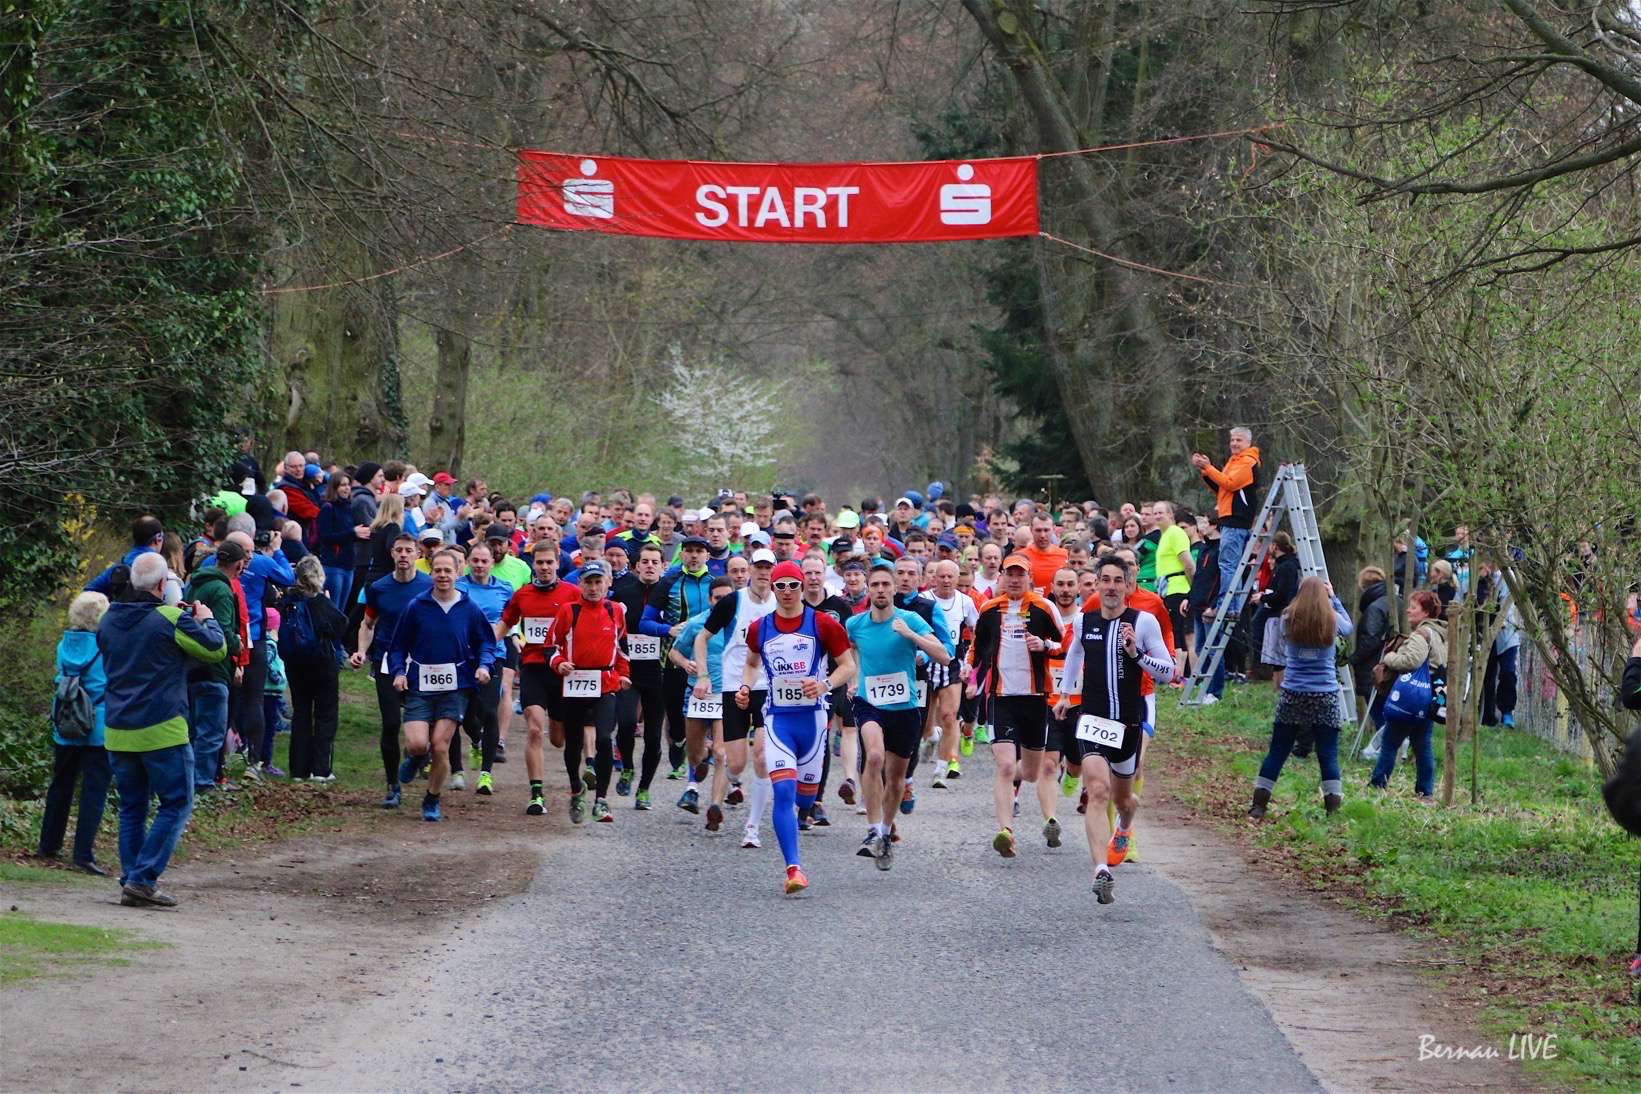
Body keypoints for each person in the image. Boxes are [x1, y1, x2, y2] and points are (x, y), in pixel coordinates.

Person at [98, 553, 227, 907]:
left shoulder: (107, 619)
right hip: (162, 728)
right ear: (161, 586)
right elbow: (214, 649)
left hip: (118, 728)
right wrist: (207, 619)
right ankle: (142, 878)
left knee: (132, 807)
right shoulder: (169, 619)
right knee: (176, 802)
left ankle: (132, 877)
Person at [1053, 556, 1175, 904]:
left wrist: (1136, 654)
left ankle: (1123, 827)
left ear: (1127, 586)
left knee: (1124, 798)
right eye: (1103, 579)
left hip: (1128, 722)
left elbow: (1168, 672)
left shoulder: (1144, 621)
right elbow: (1074, 656)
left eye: (1116, 580)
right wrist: (1064, 695)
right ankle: (1100, 870)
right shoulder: (1084, 621)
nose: (1109, 586)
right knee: (1097, 789)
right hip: (1092, 719)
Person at [734, 560, 855, 893]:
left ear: (803, 587)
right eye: (780, 585)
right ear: (772, 589)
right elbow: (752, 663)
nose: (787, 592)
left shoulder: (823, 624)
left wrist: (826, 685)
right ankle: (794, 869)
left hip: (814, 720)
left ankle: (808, 806)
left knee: (804, 799)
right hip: (777, 720)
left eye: (792, 585)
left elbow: (847, 665)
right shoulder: (760, 628)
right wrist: (745, 687)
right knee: (783, 791)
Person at [846, 560, 946, 868]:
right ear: (868, 589)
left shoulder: (910, 619)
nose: (880, 589)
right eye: (874, 584)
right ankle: (873, 830)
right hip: (869, 703)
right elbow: (846, 653)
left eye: (885, 584)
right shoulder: (856, 624)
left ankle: (886, 833)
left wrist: (912, 637)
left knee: (897, 777)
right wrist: (852, 678)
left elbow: (943, 654)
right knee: (874, 757)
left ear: (893, 589)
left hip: (905, 707)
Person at [966, 552, 1065, 857]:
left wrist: (1045, 646)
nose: (1014, 579)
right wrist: (970, 677)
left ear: (1030, 577)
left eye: (1020, 574)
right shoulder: (989, 609)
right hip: (1001, 698)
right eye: (1010, 574)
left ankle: (1034, 809)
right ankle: (1005, 831)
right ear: (1002, 577)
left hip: (1036, 699)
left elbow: (1067, 648)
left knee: (1032, 773)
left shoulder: (1044, 608)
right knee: (1006, 764)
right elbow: (977, 649)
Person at [387, 549, 497, 822]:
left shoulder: (469, 607)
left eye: (449, 570)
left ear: (458, 572)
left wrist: (484, 666)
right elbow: (398, 645)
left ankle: (432, 798)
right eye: (438, 570)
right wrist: (399, 672)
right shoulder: (416, 606)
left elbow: (486, 642)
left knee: (440, 745)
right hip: (420, 684)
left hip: (455, 686)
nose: (443, 575)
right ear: (431, 573)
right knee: (416, 744)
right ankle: (415, 757)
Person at [1249, 577, 1353, 819]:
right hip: (1325, 694)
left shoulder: (1288, 619)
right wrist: (1334, 599)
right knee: (1327, 753)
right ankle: (1332, 810)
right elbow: (1348, 628)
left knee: (1277, 751)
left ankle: (1259, 805)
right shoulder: (1331, 620)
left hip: (1293, 693)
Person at [498, 540, 581, 815]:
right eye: (540, 562)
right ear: (533, 564)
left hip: (563, 671)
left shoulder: (572, 593)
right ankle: (536, 794)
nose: (545, 567)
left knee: (558, 738)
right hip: (533, 667)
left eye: (549, 562)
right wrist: (486, 649)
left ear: (558, 562)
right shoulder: (523, 595)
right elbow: (506, 623)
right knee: (534, 728)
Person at [548, 560, 631, 824]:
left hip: (605, 683)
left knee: (605, 739)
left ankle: (601, 801)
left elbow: (622, 648)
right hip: (574, 681)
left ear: (608, 583)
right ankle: (575, 787)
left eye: (598, 582)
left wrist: (624, 675)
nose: (594, 588)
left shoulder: (615, 610)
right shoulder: (568, 611)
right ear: (580, 584)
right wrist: (559, 663)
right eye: (589, 582)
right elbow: (551, 646)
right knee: (572, 742)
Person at [37, 592, 114, 875]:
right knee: (94, 789)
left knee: (61, 783)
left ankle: (48, 843)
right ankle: (83, 853)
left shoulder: (64, 644)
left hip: (66, 721)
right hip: (98, 724)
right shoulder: (105, 647)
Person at [1369, 589, 1446, 799]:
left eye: (1413, 607)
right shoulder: (1439, 634)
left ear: (1426, 612)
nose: (1409, 610)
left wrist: (1390, 657)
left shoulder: (1422, 634)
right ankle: (1425, 790)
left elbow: (1410, 661)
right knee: (1423, 746)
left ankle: (1377, 784)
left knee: (1390, 743)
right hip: (1427, 699)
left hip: (1410, 699)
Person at [183, 540, 247, 792]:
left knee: (191, 729)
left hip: (189, 664)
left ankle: (188, 780)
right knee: (210, 730)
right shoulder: (221, 590)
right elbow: (220, 631)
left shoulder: (194, 584)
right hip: (213, 668)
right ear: (239, 564)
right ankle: (202, 783)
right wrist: (237, 644)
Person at [455, 541, 513, 794]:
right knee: (466, 716)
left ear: (492, 563)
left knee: (489, 711)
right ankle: (476, 740)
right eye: (475, 560)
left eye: (484, 561)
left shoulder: (504, 588)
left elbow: (511, 620)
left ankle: (486, 774)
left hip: (494, 655)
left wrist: (501, 636)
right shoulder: (459, 587)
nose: (479, 565)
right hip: (462, 657)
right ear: (468, 562)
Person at [1191, 427, 1261, 617]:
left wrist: (1209, 468)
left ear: (1248, 443)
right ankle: (1230, 606)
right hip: (1229, 516)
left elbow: (1230, 483)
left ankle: (1226, 605)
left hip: (1236, 519)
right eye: (1232, 440)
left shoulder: (1247, 461)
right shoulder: (1234, 461)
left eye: (1239, 440)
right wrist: (1206, 471)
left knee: (1228, 564)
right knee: (1229, 564)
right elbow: (1223, 487)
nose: (1234, 444)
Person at [317, 472, 370, 607]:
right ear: (334, 488)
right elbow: (325, 536)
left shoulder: (348, 507)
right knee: (333, 607)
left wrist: (358, 535)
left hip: (349, 565)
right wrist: (352, 533)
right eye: (342, 485)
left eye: (348, 485)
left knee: (342, 608)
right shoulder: (328, 508)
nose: (347, 488)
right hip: (333, 565)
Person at [1348, 566, 1392, 723]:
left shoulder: (1374, 608)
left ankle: (1385, 745)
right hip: (1390, 666)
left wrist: (1353, 659)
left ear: (1363, 586)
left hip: (1374, 669)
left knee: (1378, 713)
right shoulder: (1394, 601)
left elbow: (1370, 639)